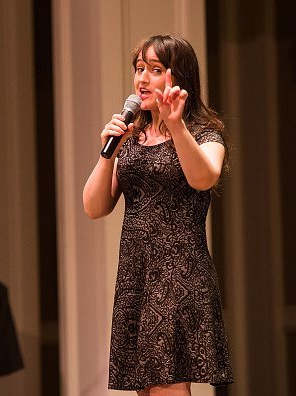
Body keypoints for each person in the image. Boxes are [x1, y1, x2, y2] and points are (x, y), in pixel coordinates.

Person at [83, 34, 234, 395]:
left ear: (177, 77)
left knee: (165, 384)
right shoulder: (132, 139)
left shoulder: (204, 135)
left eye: (155, 69)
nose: (143, 79)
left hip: (178, 274)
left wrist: (176, 125)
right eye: (139, 69)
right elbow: (94, 207)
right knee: (148, 388)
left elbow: (203, 177)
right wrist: (109, 153)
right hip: (136, 274)